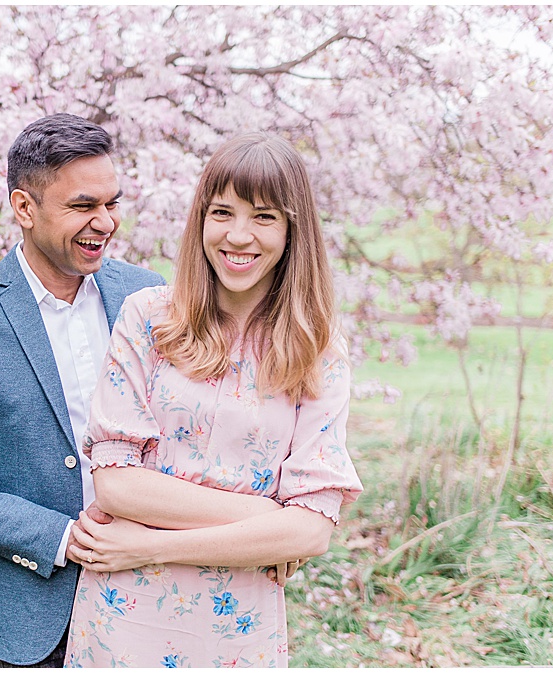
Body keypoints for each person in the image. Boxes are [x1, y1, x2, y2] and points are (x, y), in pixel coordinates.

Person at [59, 132, 362, 667]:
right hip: (126, 614)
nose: (238, 235)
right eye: (222, 212)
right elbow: (117, 482)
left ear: (294, 232)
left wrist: (151, 545)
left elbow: (312, 531)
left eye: (264, 217)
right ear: (200, 219)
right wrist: (269, 520)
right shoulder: (149, 317)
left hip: (235, 626)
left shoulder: (317, 349)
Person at [0, 113, 165, 667]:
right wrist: (60, 536)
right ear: (24, 208)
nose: (105, 222)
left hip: (161, 594)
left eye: (111, 203)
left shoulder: (152, 297)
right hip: (33, 618)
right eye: (82, 206)